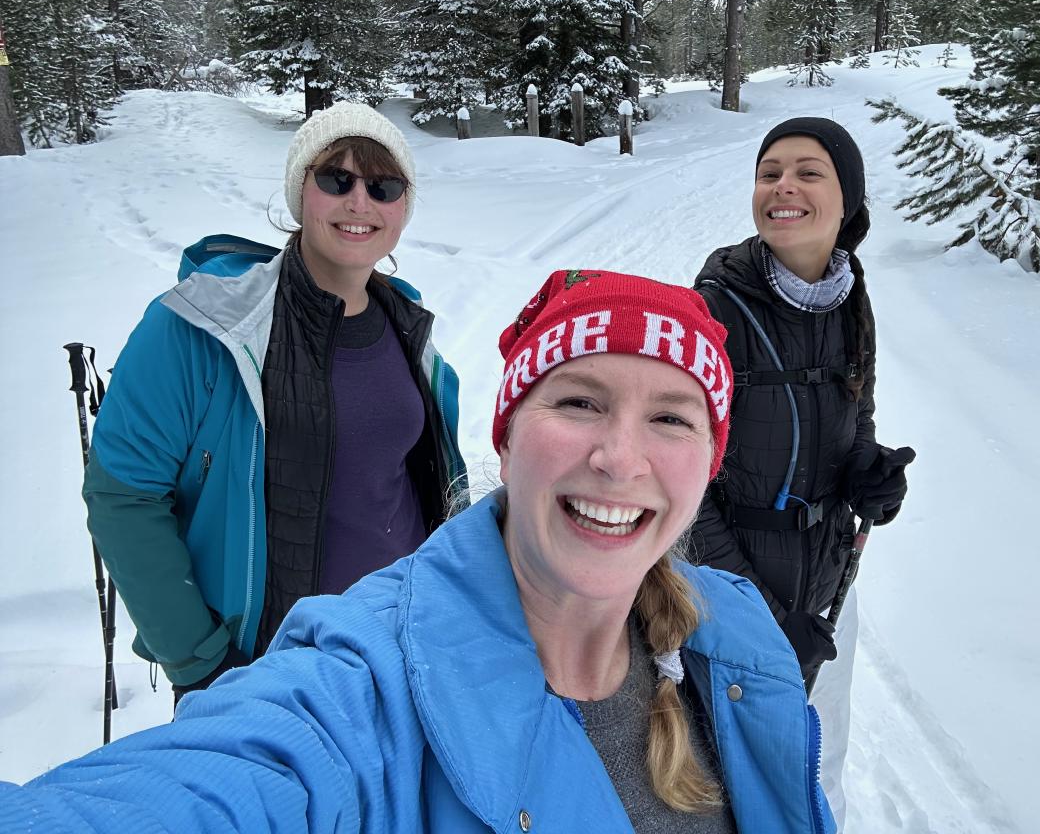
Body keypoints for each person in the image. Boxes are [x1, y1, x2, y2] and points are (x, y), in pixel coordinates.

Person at [2, 269, 835, 834]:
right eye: (579, 401)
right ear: (506, 443)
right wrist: (197, 654)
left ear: (709, 462)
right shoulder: (363, 689)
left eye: (671, 417)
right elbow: (230, 778)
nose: (620, 458)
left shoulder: (735, 636)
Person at [81, 101, 467, 701]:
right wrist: (201, 664)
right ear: (300, 191)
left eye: (384, 186)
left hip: (401, 654)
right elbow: (123, 496)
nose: (359, 201)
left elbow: (425, 485)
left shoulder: (407, 324)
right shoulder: (203, 326)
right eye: (336, 179)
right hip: (267, 673)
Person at [690, 117, 916, 831]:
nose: (782, 186)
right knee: (716, 772)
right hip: (722, 596)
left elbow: (857, 411)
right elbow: (680, 484)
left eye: (808, 171)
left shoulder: (851, 297)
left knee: (818, 757)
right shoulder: (712, 306)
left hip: (826, 586)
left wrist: (869, 475)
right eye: (769, 171)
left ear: (847, 200)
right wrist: (760, 619)